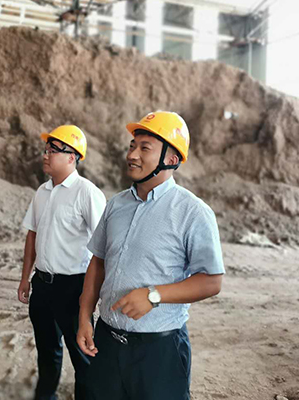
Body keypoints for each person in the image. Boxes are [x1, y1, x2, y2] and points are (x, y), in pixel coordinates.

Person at [76, 111, 225, 400]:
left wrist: (153, 295)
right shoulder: (116, 205)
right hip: (106, 342)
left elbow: (211, 281)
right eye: (132, 146)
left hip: (159, 353)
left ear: (171, 158)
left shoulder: (193, 212)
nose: (132, 155)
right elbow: (98, 262)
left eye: (145, 148)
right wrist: (85, 316)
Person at [18, 125, 106, 400]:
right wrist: (25, 278)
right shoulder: (42, 192)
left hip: (73, 289)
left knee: (83, 357)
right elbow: (32, 235)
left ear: (72, 157)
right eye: (45, 150)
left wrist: (95, 294)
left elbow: (104, 246)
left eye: (53, 150)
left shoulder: (86, 193)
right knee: (47, 352)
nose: (45, 155)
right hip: (42, 286)